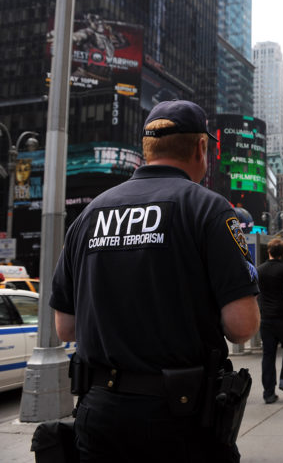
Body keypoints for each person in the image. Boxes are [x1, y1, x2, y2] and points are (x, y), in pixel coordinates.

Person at [50, 100, 261, 462]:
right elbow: (243, 326)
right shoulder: (209, 210)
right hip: (180, 418)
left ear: (147, 149)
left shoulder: (88, 215)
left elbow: (65, 327)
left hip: (98, 414)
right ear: (200, 147)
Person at [257, 238, 283, 404]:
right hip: (282, 318)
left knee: (268, 355)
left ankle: (268, 394)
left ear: (268, 251)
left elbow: (256, 295)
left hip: (265, 319)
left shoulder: (258, 270)